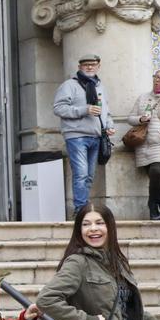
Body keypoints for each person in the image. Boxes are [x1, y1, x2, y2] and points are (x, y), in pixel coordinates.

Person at [54, 55, 117, 214]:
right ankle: (80, 210)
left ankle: (82, 209)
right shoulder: (69, 85)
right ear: (80, 66)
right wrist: (84, 110)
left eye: (93, 65)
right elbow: (58, 108)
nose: (89, 67)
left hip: (96, 136)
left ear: (98, 66)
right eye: (86, 65)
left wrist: (109, 126)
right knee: (81, 174)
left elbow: (106, 112)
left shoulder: (100, 87)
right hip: (76, 136)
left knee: (89, 176)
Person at [127, 70, 160, 219]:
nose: (158, 80)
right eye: (156, 77)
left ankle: (156, 205)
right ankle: (157, 211)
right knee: (155, 179)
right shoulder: (143, 97)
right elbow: (130, 118)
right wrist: (140, 119)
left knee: (158, 171)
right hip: (142, 146)